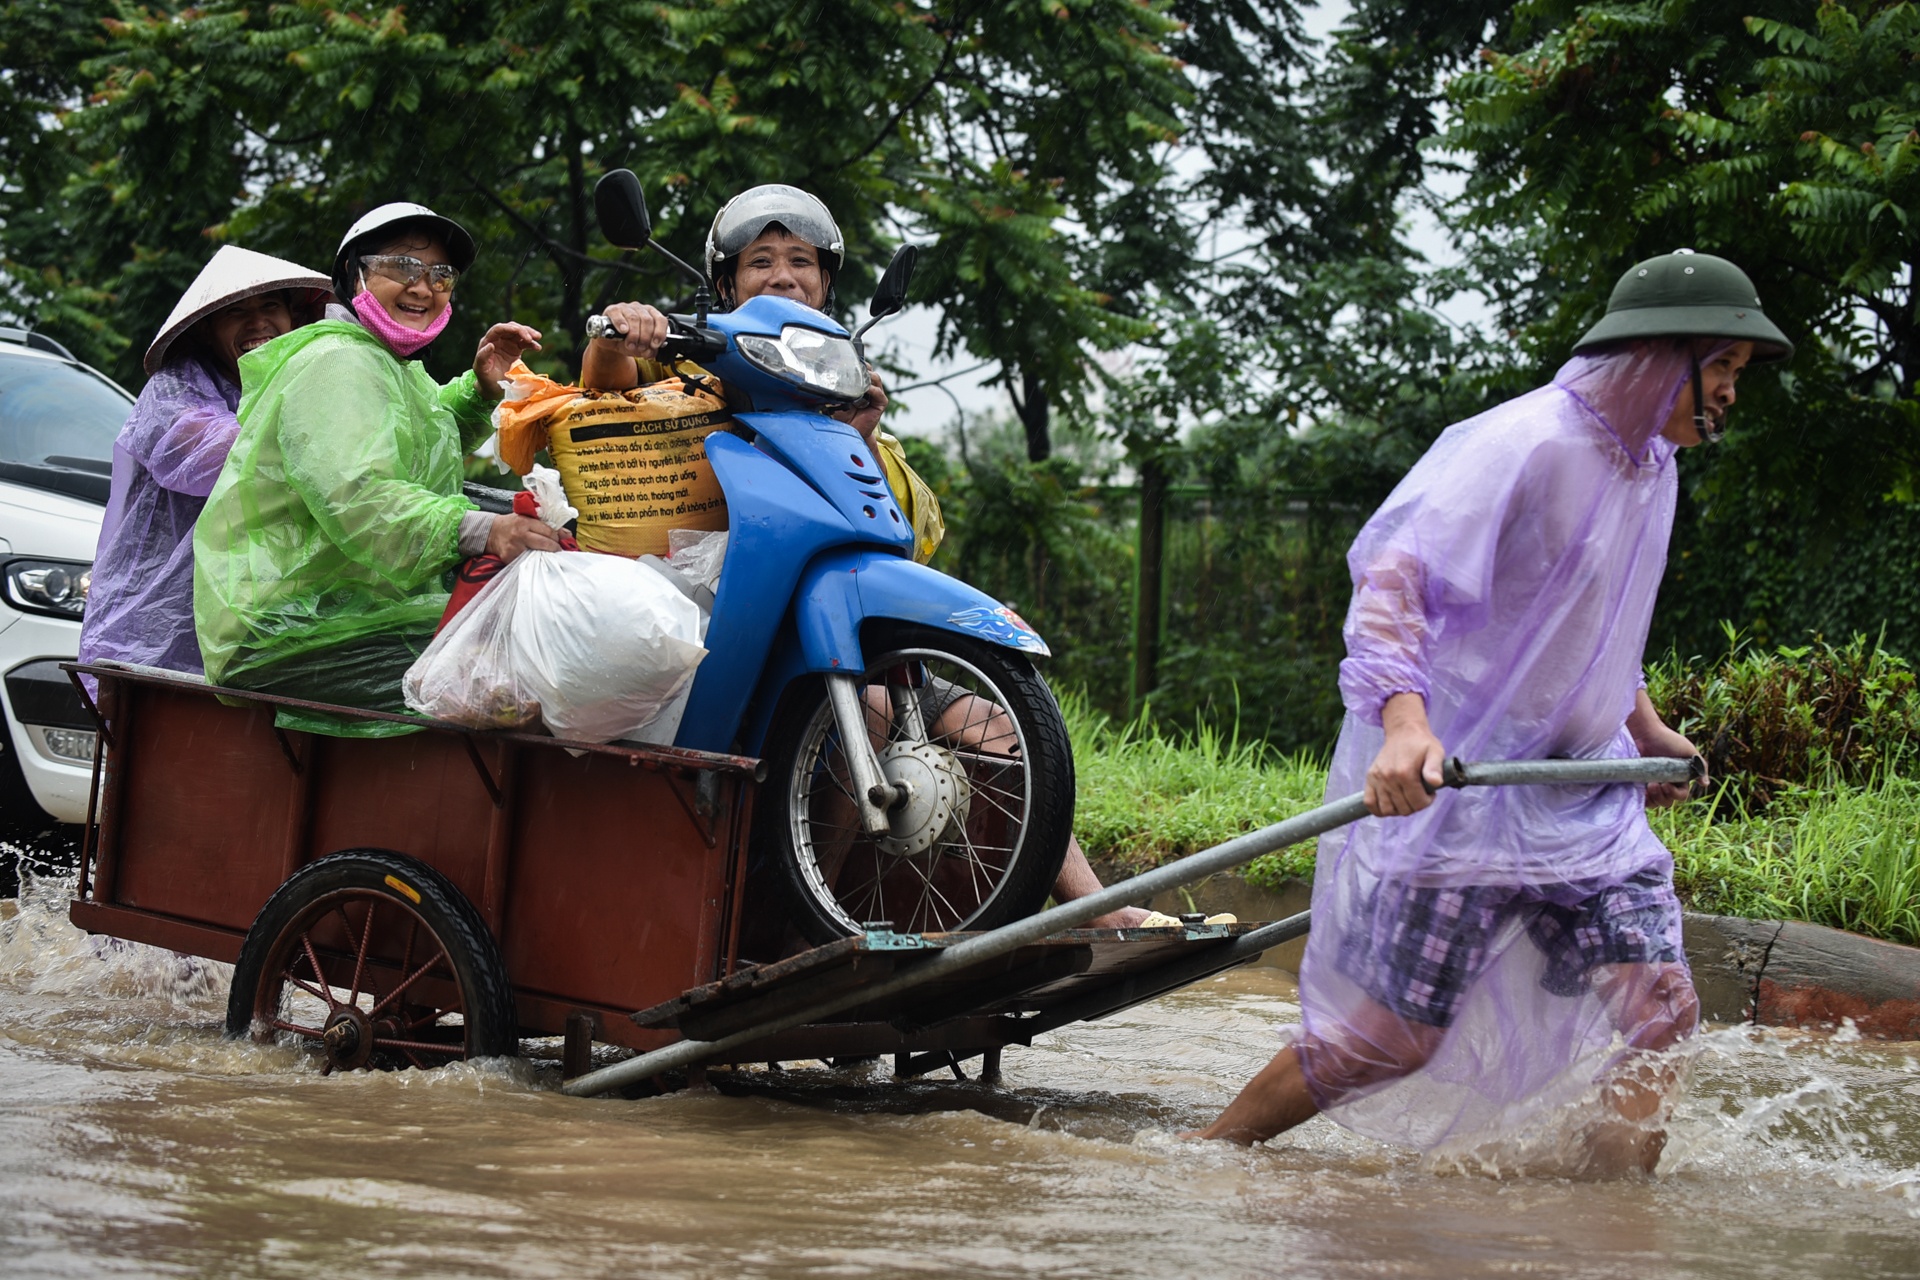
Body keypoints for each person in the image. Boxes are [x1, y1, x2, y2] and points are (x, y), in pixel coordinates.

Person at [1194, 250, 1794, 1174]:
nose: (1729, 391)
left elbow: (1594, 623)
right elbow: (1395, 579)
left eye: (1736, 374)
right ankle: (1201, 1158)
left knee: (1663, 1016)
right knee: (1387, 1042)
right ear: (1659, 355)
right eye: (1721, 366)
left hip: (1579, 802)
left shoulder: (1654, 468)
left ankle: (1606, 1230)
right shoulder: (1525, 444)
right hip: (1463, 796)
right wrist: (1404, 726)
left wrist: (1643, 726)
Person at [584, 183, 1147, 928]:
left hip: (845, 636)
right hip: (724, 624)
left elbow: (910, 537)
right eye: (760, 261)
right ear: (725, 284)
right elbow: (604, 388)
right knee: (874, 715)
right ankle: (807, 923)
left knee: (998, 726)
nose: (784, 276)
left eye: (801, 262)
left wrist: (867, 435)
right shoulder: (686, 368)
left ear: (825, 284)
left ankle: (1096, 909)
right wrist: (621, 331)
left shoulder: (838, 386)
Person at [193, 203, 553, 736]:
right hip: (286, 627)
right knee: (517, 665)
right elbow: (358, 495)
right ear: (353, 275)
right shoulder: (337, 362)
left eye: (439, 275)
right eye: (401, 267)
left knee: (523, 650)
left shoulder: (389, 365)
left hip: (346, 614)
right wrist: (484, 528)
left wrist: (480, 387)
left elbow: (426, 439)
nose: (423, 288)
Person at [78, 246, 330, 679]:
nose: (258, 323)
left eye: (270, 305)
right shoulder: (172, 390)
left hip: (257, 628)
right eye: (236, 312)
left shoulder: (302, 385)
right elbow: (218, 458)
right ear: (209, 330)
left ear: (292, 317)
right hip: (156, 630)